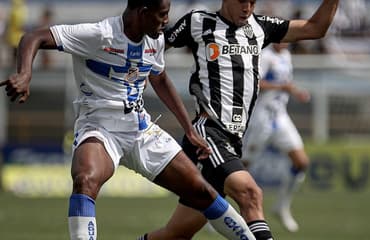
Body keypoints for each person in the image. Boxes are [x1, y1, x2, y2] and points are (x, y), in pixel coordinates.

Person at [0, 0, 260, 239]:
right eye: (161, 15)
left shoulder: (154, 38)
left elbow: (159, 79)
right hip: (99, 128)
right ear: (142, 12)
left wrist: (189, 131)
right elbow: (35, 36)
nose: (165, 21)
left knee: (201, 192)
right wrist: (24, 74)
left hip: (140, 129)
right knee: (85, 180)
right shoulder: (99, 34)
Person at [140, 0, 339, 239]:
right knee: (250, 193)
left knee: (176, 234)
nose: (248, 7)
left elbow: (315, 28)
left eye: (253, 2)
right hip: (208, 134)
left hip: (233, 140)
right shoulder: (198, 22)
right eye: (242, 1)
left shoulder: (260, 27)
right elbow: (152, 45)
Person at [242, 42, 310, 233]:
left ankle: (282, 206)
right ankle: (216, 211)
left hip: (280, 117)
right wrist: (283, 87)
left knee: (301, 162)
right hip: (260, 118)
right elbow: (255, 83)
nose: (284, 41)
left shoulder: (286, 55)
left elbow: (285, 84)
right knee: (241, 167)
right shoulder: (265, 55)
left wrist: (295, 91)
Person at [5, 0, 27, 66]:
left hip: (13, 35)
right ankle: (18, 66)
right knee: (19, 53)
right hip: (18, 35)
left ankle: (14, 66)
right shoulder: (21, 10)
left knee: (14, 53)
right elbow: (21, 24)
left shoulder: (13, 10)